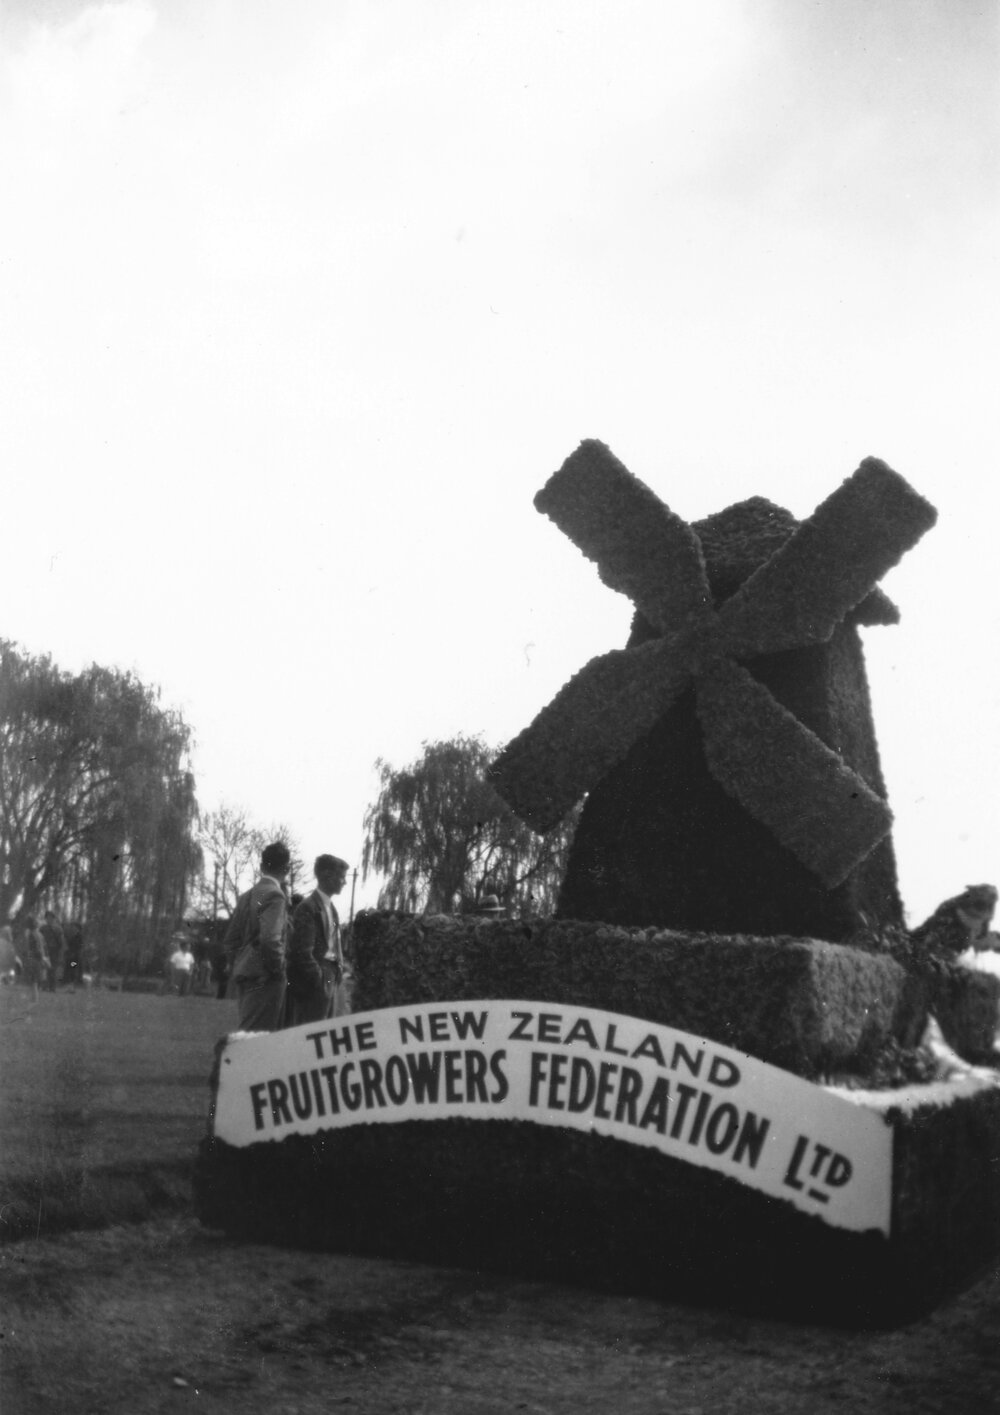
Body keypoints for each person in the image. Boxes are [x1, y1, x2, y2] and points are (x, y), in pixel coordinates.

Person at [223, 841, 292, 1031]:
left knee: (247, 1031)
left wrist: (239, 964)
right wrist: (278, 969)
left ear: (262, 866)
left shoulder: (246, 896)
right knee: (259, 1038)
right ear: (286, 868)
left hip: (245, 973)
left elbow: (230, 941)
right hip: (266, 977)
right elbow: (270, 939)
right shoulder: (276, 896)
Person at [285, 854, 349, 1027]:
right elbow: (302, 951)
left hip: (331, 976)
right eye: (341, 877)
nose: (345, 882)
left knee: (328, 1032)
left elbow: (335, 946)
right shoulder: (308, 907)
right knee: (312, 1033)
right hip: (317, 980)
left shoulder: (332, 908)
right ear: (327, 876)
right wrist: (318, 979)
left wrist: (339, 970)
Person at [20, 915, 50, 1004]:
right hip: (40, 958)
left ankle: (34, 999)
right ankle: (34, 999)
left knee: (33, 980)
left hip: (35, 959)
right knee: (35, 980)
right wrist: (45, 959)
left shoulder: (31, 935)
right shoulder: (40, 934)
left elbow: (35, 949)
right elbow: (44, 947)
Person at [40, 910, 66, 992]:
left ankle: (52, 987)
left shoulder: (58, 929)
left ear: (54, 919)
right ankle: (44, 986)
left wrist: (61, 952)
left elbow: (61, 941)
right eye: (47, 918)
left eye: (51, 918)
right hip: (45, 950)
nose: (49, 920)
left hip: (55, 951)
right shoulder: (43, 928)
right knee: (44, 969)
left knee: (53, 969)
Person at [168, 925, 196, 995]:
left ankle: (183, 994)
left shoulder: (188, 953)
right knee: (177, 983)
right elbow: (172, 960)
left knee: (185, 984)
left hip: (185, 969)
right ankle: (174, 993)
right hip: (177, 968)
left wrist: (190, 971)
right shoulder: (174, 947)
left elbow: (192, 963)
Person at [63, 920, 84, 988]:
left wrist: (74, 953)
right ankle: (70, 984)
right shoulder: (73, 936)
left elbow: (78, 947)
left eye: (75, 927)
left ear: (78, 928)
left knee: (73, 969)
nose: (73, 928)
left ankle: (72, 985)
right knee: (70, 970)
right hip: (71, 956)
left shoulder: (79, 936)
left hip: (75, 957)